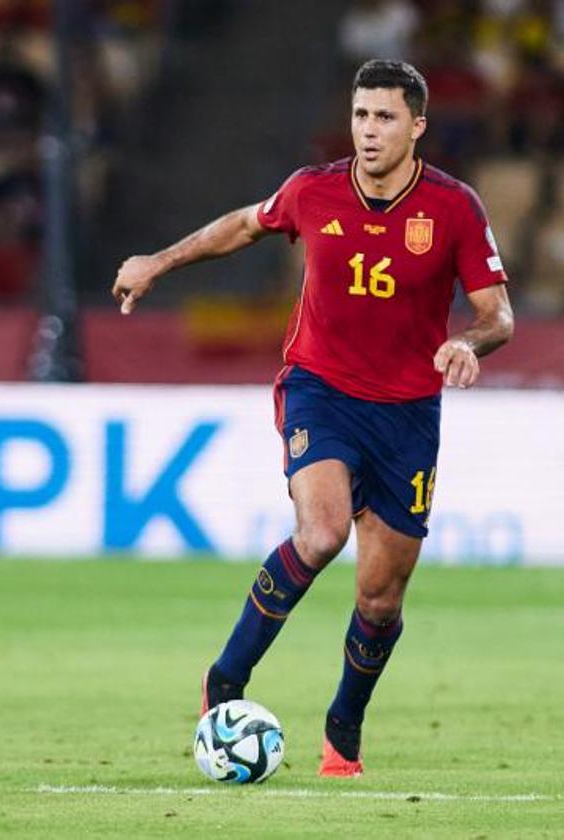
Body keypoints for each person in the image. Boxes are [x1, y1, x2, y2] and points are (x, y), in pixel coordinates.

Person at [111, 59, 513, 776]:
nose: (368, 130)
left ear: (417, 126)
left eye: (385, 117)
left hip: (409, 413)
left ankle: (344, 725)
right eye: (361, 115)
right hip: (320, 389)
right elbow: (242, 225)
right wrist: (158, 262)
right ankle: (226, 677)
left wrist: (466, 341)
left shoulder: (454, 208)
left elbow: (497, 314)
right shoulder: (312, 190)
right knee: (323, 531)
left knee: (380, 596)